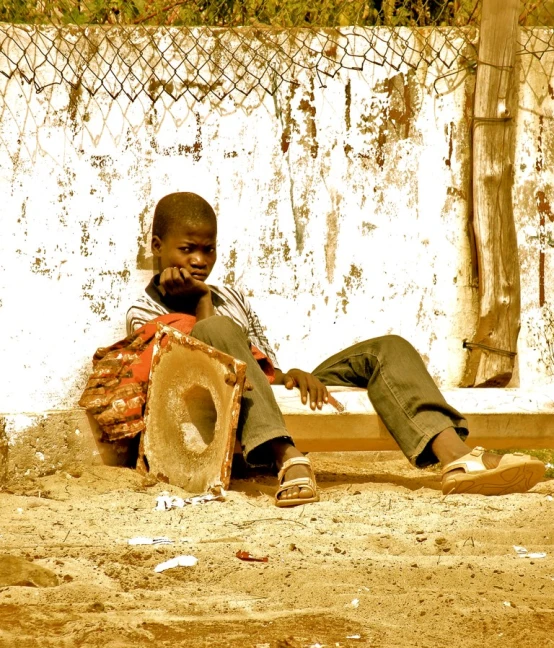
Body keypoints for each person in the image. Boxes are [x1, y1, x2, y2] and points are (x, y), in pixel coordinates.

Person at [122, 191, 545, 506]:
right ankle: (289, 459)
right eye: (187, 249)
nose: (199, 260)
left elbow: (263, 364)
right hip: (219, 421)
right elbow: (187, 380)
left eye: (208, 249)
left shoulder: (231, 295)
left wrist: (293, 375)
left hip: (263, 396)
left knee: (387, 349)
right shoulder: (142, 311)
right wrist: (199, 305)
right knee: (215, 328)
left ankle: (456, 458)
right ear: (158, 247)